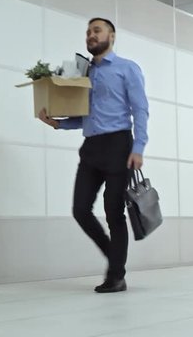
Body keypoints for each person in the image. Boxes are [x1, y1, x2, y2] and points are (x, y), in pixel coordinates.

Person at [38, 17, 149, 293]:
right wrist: (58, 122)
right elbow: (83, 117)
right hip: (91, 148)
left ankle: (115, 276)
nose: (90, 35)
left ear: (111, 36)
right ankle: (116, 260)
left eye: (96, 30)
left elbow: (140, 110)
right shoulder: (83, 74)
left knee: (113, 212)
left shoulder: (127, 69)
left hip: (119, 145)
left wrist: (139, 148)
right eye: (88, 31)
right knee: (80, 210)